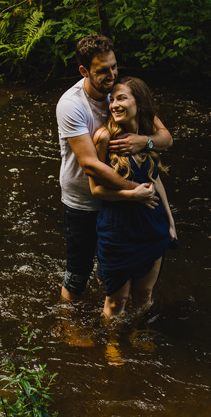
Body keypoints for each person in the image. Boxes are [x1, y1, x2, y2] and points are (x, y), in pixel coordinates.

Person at [56, 34, 173, 302]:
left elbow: (166, 138)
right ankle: (70, 329)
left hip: (121, 201)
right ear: (84, 71)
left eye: (114, 66)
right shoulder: (71, 105)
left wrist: (145, 141)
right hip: (84, 200)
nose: (112, 75)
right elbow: (90, 164)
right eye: (103, 71)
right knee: (77, 274)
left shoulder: (119, 91)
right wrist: (138, 191)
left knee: (113, 271)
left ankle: (109, 316)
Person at [88, 77, 178, 318]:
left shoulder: (147, 136)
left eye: (122, 98)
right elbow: (96, 190)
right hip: (118, 231)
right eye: (112, 99)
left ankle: (139, 334)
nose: (114, 104)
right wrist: (133, 195)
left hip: (152, 229)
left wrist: (170, 222)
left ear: (139, 103)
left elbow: (156, 180)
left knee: (144, 296)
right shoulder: (104, 138)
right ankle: (112, 349)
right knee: (116, 303)